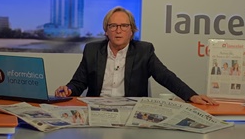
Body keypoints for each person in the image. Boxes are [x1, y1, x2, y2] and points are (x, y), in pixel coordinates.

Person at [55, 6, 217, 105]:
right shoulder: (92, 50)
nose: (118, 30)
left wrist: (191, 96)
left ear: (132, 31)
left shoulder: (144, 51)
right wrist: (68, 90)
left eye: (124, 26)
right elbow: (78, 83)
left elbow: (166, 77)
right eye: (113, 26)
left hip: (131, 112)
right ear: (106, 30)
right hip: (97, 110)